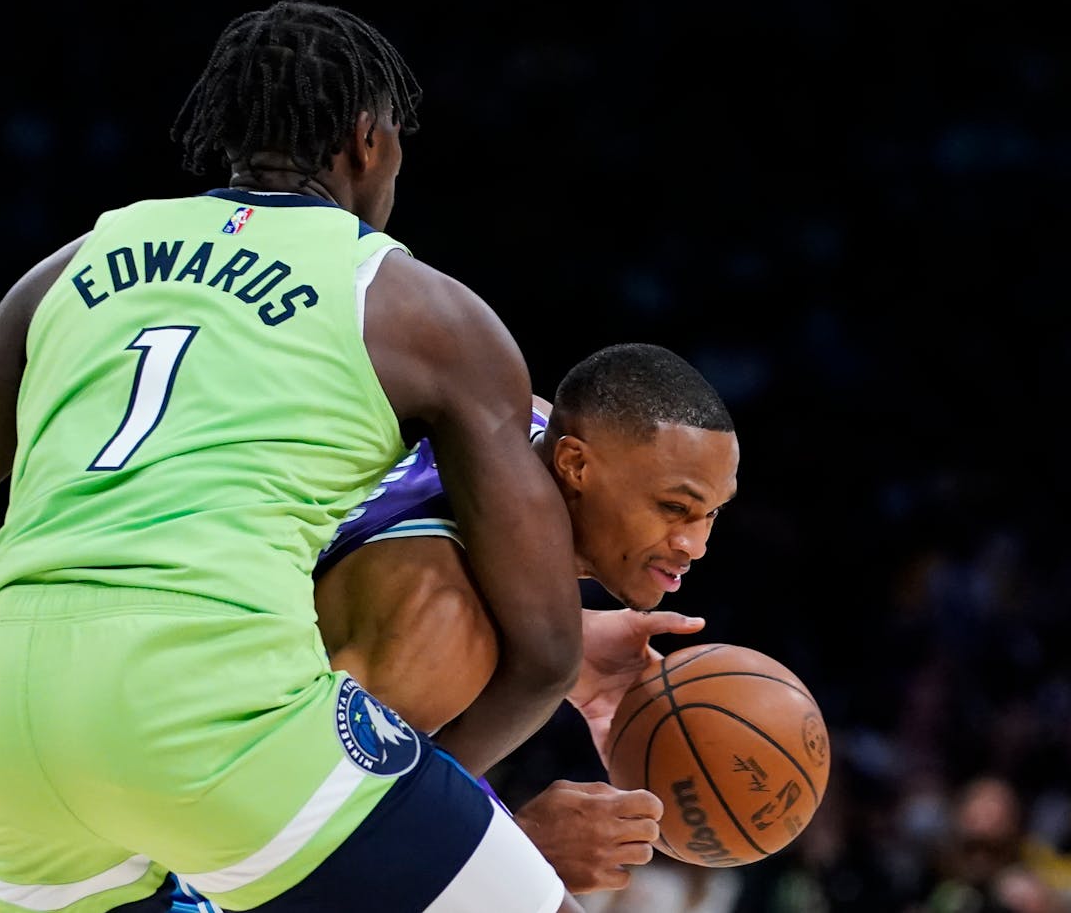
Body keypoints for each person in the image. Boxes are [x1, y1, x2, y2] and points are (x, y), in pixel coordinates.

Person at [0, 0, 591, 913]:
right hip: (217, 713)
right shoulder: (420, 309)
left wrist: (25, 665)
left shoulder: (72, 265)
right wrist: (418, 790)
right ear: (367, 141)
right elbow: (548, 652)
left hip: (6, 735)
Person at [173, 342, 738, 906]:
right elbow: (278, 841)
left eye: (712, 511)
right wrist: (523, 847)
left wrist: (575, 630)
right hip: (169, 812)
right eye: (673, 508)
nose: (695, 544)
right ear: (576, 466)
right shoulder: (444, 628)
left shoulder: (518, 425)